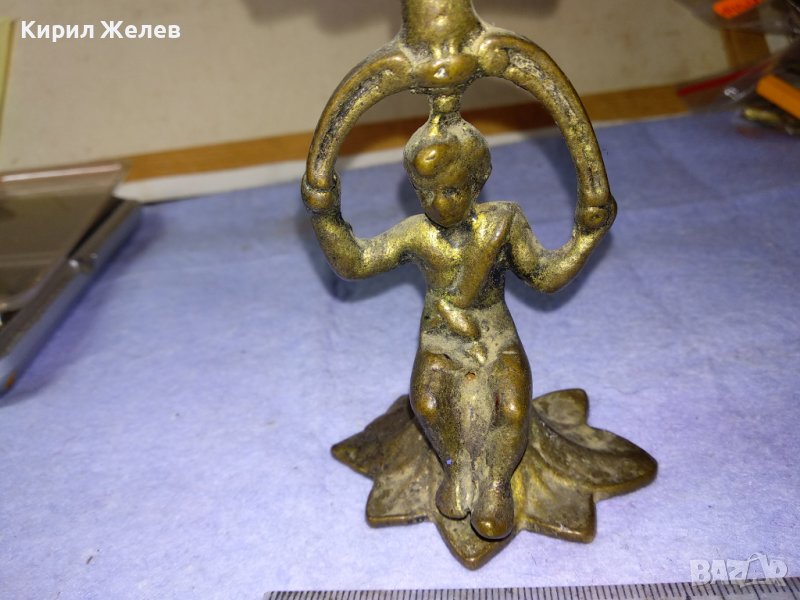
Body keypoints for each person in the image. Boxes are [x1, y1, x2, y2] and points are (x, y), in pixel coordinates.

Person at [302, 96, 615, 540]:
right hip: (441, 340)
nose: (438, 204)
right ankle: (456, 465)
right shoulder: (417, 233)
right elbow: (356, 262)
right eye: (425, 193)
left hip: (495, 335)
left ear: (476, 182)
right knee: (428, 403)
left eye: (450, 191)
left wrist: (584, 239)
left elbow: (543, 276)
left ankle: (496, 484)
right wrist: (325, 215)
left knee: (512, 408)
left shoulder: (503, 223)